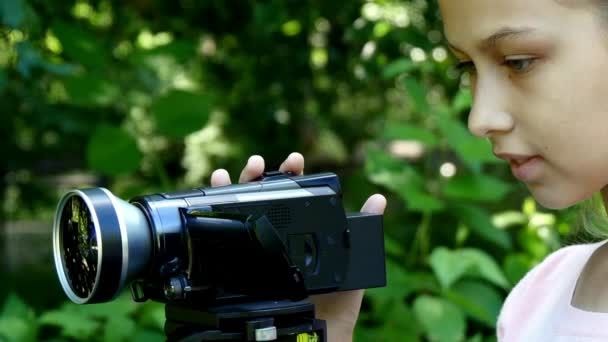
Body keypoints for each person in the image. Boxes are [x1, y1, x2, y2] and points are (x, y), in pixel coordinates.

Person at [211, 0, 608, 340]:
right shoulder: (539, 299)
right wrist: (308, 328)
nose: (480, 118)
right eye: (466, 67)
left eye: (518, 63)